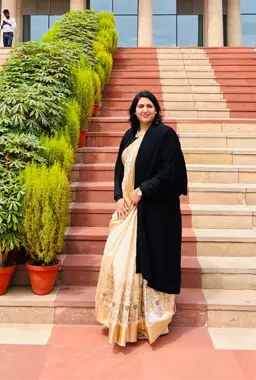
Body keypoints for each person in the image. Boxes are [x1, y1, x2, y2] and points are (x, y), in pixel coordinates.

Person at [94, 91, 188, 346]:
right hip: (127, 209)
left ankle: (150, 320)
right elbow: (118, 170)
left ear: (156, 110)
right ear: (134, 111)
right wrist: (118, 196)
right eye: (140, 106)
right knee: (118, 262)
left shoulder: (165, 135)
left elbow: (172, 172)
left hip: (155, 211)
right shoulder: (128, 136)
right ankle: (125, 319)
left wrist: (142, 190)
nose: (145, 109)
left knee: (146, 262)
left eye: (149, 106)